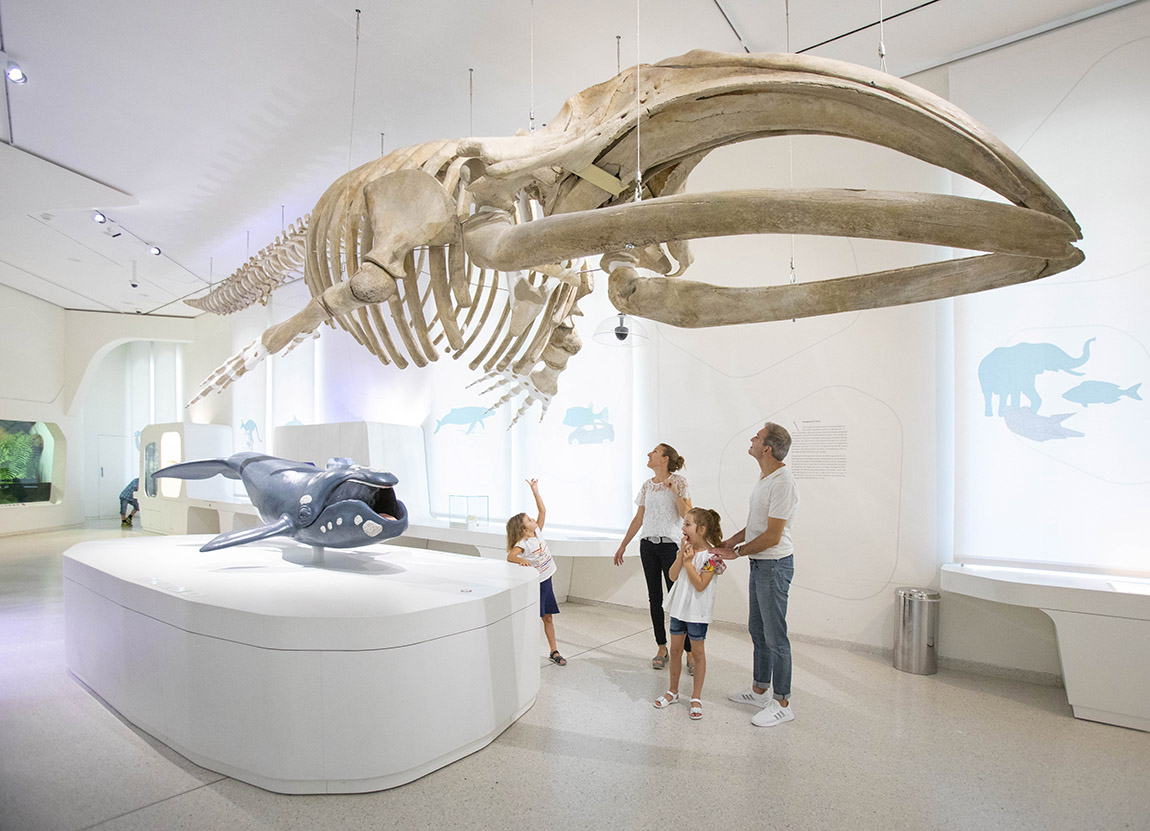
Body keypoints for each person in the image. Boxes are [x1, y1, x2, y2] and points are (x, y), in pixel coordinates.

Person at [719, 422, 800, 727]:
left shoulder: (783, 482)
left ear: (767, 448)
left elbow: (773, 537)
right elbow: (757, 525)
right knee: (757, 630)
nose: (751, 439)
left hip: (774, 566)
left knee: (775, 636)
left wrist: (736, 552)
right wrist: (731, 540)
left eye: (756, 437)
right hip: (760, 564)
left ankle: (782, 702)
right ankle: (759, 691)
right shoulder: (765, 477)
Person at [613, 444, 694, 671]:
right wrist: (623, 544)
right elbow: (639, 519)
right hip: (647, 545)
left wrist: (674, 491)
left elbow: (687, 515)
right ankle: (661, 647)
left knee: (676, 598)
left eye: (654, 452)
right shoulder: (647, 486)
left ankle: (689, 651)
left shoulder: (679, 482)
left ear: (665, 458)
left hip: (671, 546)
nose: (649, 454)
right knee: (654, 598)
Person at [652, 508, 726, 721]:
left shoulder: (712, 556)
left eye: (687, 525)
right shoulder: (684, 550)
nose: (683, 528)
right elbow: (673, 576)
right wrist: (680, 558)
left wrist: (687, 562)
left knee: (698, 654)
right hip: (679, 609)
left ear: (701, 529)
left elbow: (701, 584)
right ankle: (673, 691)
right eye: (684, 524)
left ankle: (696, 697)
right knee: (675, 651)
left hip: (698, 613)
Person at [507, 478, 567, 666]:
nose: (534, 519)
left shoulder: (538, 532)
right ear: (524, 529)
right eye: (530, 520)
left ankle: (554, 650)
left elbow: (543, 510)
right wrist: (522, 560)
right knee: (533, 618)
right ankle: (524, 651)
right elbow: (511, 556)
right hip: (536, 584)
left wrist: (535, 491)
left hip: (546, 579)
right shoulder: (522, 544)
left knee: (548, 617)